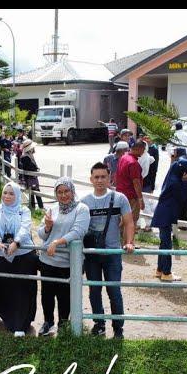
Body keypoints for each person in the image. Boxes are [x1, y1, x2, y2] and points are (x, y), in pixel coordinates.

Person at [81, 162, 135, 339]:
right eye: (96, 177)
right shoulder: (84, 202)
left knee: (114, 290)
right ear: (91, 179)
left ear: (110, 177)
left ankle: (118, 327)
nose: (100, 180)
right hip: (92, 254)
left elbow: (128, 222)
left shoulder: (120, 198)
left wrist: (129, 242)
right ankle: (99, 324)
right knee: (94, 290)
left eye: (103, 176)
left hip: (113, 253)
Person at [37, 177, 90, 336]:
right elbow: (41, 233)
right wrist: (47, 227)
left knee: (64, 296)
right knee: (47, 293)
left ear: (72, 191)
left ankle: (63, 324)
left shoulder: (82, 209)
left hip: (68, 263)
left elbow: (78, 231)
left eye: (66, 191)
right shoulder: (52, 209)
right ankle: (48, 322)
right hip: (47, 260)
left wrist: (57, 242)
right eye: (59, 192)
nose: (63, 195)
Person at [0, 182, 39, 337]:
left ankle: (21, 324)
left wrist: (16, 242)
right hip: (3, 255)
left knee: (22, 289)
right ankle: (8, 320)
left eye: (11, 193)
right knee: (5, 287)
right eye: (5, 193)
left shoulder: (23, 211)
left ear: (17, 196)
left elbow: (25, 228)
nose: (7, 196)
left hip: (23, 255)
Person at [151, 157, 187, 281]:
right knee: (167, 244)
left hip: (164, 213)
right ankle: (166, 272)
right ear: (183, 172)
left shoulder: (172, 177)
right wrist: (185, 182)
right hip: (166, 215)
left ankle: (160, 269)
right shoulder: (176, 183)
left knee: (164, 243)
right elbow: (183, 198)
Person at [115, 139, 146, 223]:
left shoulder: (123, 157)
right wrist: (140, 199)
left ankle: (121, 236)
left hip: (121, 194)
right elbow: (136, 182)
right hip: (131, 197)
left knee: (123, 220)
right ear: (139, 149)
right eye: (143, 150)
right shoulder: (133, 163)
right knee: (131, 221)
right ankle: (127, 236)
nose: (143, 153)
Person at [19, 139, 44, 210]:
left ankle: (37, 207)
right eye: (32, 147)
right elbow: (28, 167)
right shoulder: (25, 157)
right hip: (30, 177)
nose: (34, 149)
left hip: (33, 176)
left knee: (34, 191)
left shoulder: (29, 155)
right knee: (34, 192)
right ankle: (38, 207)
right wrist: (35, 168)